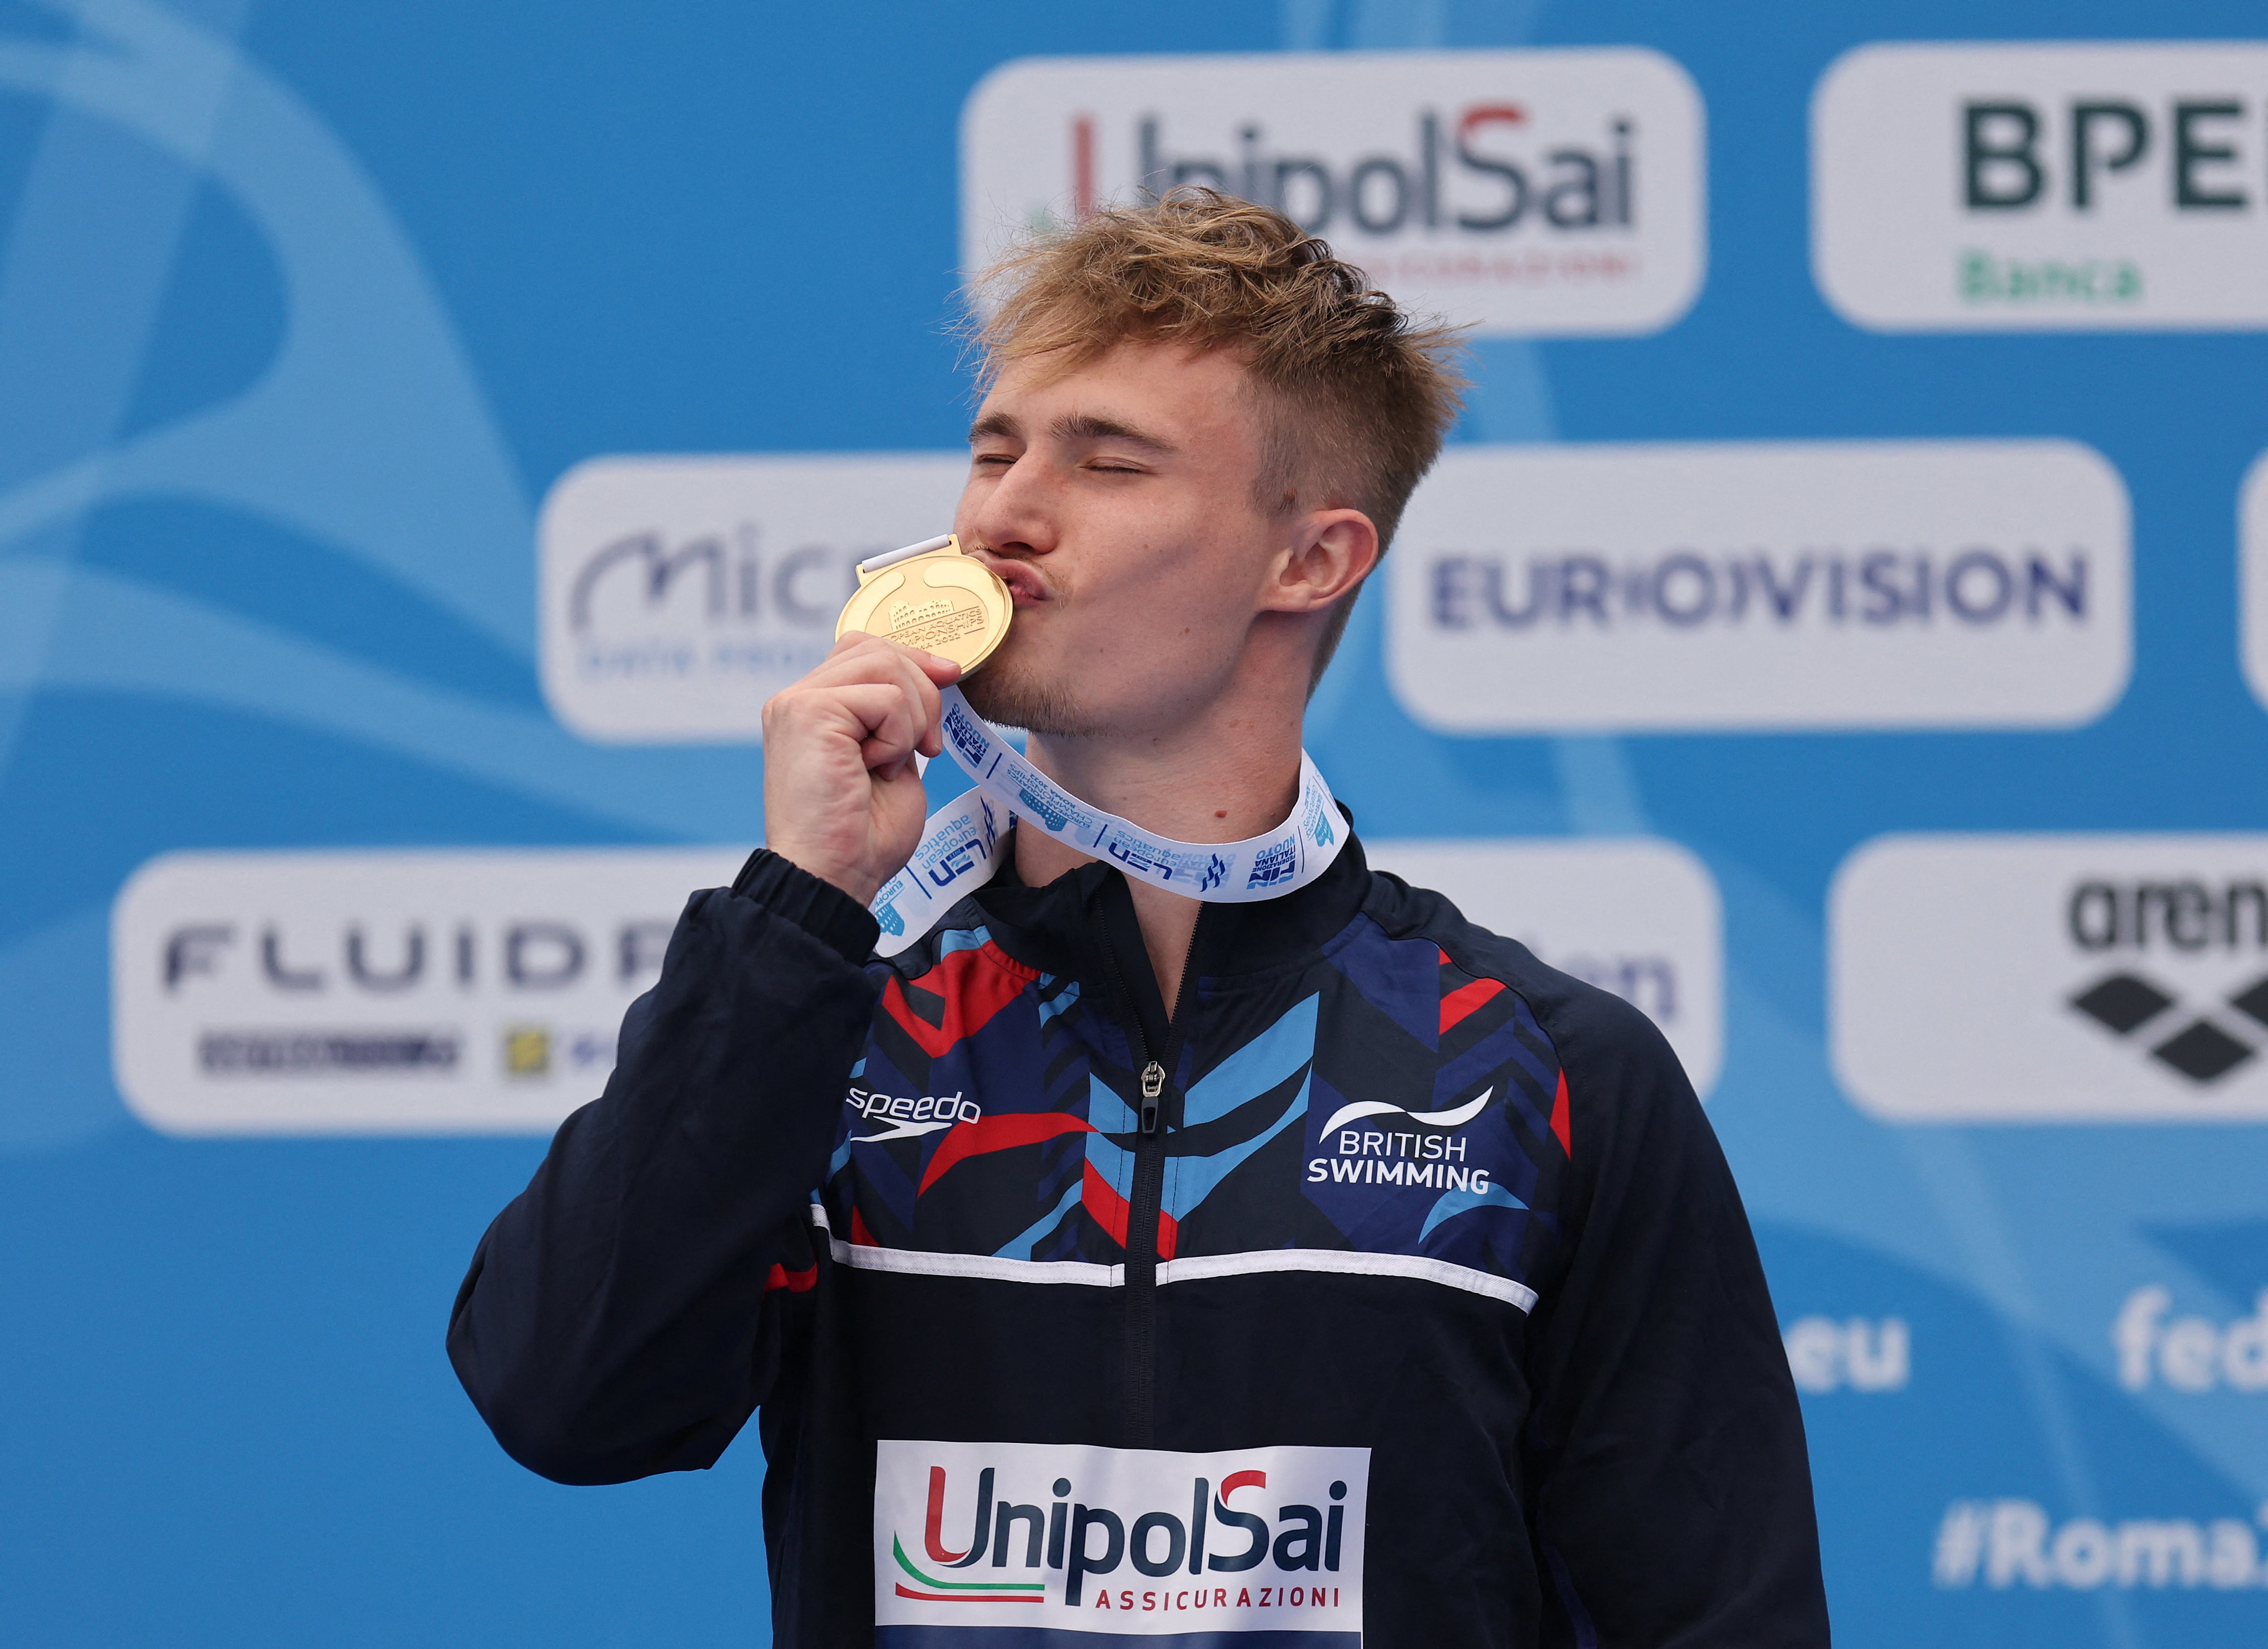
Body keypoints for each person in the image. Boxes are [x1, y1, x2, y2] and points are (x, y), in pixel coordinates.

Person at [449, 191, 1829, 1646]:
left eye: (1107, 462)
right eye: (995, 450)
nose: (1003, 514)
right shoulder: (833, 1018)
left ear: (1312, 559)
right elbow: (566, 1400)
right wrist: (801, 908)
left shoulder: (1544, 1073)